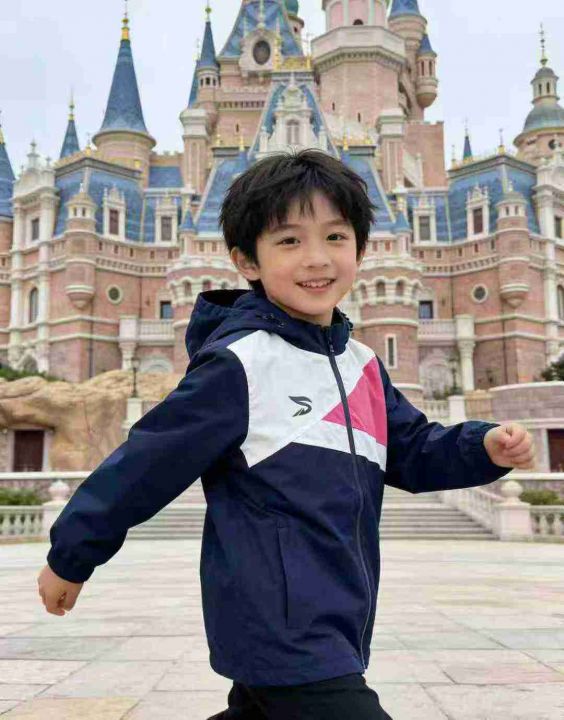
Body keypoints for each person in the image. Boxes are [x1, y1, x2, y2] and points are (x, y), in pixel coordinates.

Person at [37, 149, 536, 720]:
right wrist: (72, 554)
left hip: (338, 613)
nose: (316, 258)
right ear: (247, 261)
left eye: (335, 237)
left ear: (361, 250)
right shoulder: (240, 364)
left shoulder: (361, 365)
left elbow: (414, 450)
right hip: (277, 620)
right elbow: (146, 463)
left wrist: (482, 446)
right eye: (290, 241)